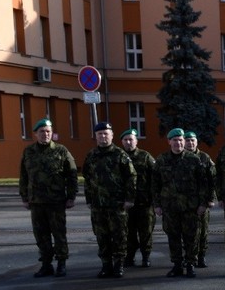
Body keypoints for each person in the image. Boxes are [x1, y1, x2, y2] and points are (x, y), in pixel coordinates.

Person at [18, 118, 78, 278]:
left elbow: (72, 175)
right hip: (36, 201)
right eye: (42, 131)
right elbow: (24, 176)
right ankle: (46, 264)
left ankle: (61, 264)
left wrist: (71, 196)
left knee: (59, 234)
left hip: (56, 201)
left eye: (48, 131)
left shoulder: (61, 151)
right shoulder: (28, 151)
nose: (45, 134)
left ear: (52, 133)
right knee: (40, 234)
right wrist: (24, 197)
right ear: (36, 134)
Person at [153, 128, 211, 278]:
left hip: (190, 207)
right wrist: (157, 205)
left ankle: (190, 264)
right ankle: (177, 265)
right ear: (169, 142)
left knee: (191, 237)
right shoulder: (162, 160)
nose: (178, 143)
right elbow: (155, 184)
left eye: (180, 140)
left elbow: (203, 184)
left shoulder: (194, 159)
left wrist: (203, 204)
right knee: (173, 237)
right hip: (170, 207)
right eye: (175, 140)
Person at [81, 121, 136, 279]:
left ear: (111, 135)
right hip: (98, 205)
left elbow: (131, 178)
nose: (103, 136)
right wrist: (89, 200)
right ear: (96, 136)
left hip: (117, 204)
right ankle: (106, 265)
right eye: (100, 134)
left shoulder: (120, 155)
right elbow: (87, 178)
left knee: (119, 235)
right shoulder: (91, 155)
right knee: (101, 236)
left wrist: (129, 199)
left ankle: (118, 265)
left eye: (106, 133)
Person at [120, 128, 157, 268]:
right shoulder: (120, 156)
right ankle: (129, 257)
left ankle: (145, 256)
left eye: (131, 139)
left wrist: (154, 199)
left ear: (136, 140)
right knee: (127, 232)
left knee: (145, 231)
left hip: (144, 202)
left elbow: (155, 177)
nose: (129, 142)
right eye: (126, 140)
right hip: (125, 203)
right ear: (122, 142)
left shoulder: (145, 156)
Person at [184, 131, 217, 268]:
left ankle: (201, 257)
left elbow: (213, 179)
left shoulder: (204, 157)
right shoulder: (181, 157)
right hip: (185, 203)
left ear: (196, 142)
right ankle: (189, 257)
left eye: (193, 140)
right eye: (188, 140)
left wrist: (211, 199)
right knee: (187, 232)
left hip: (202, 201)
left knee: (203, 231)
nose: (190, 143)